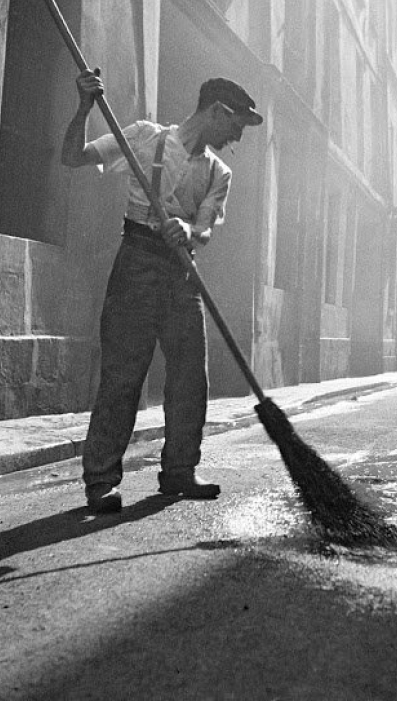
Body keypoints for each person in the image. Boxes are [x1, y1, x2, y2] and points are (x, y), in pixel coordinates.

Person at [61, 68, 263, 513]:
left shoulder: (218, 173)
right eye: (236, 126)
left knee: (191, 374)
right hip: (135, 263)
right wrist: (84, 105)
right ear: (216, 112)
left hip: (181, 271)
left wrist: (188, 228)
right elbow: (72, 156)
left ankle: (180, 471)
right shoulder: (143, 137)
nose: (237, 138)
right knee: (123, 375)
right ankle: (100, 481)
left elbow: (206, 229)